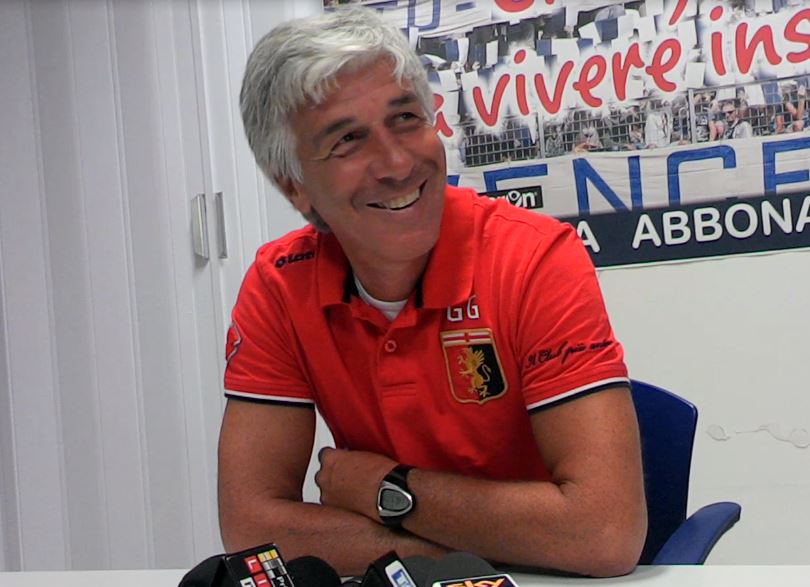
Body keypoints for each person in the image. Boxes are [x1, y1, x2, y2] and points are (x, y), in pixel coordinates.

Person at [219, 6, 646, 578]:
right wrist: (448, 560)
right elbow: (251, 527)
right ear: (294, 186)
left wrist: (384, 489)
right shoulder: (279, 284)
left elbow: (604, 532)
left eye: (405, 118)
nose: (397, 163)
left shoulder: (535, 258)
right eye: (348, 140)